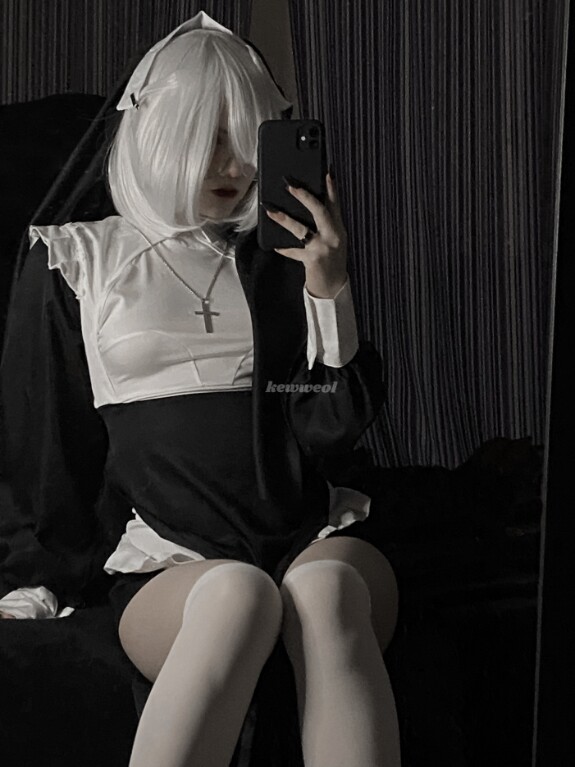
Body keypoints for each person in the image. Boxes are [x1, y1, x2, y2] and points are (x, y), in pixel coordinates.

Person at [0, 11, 400, 766]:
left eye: (249, 139)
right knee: (236, 595)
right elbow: (48, 437)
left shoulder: (283, 256)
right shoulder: (77, 258)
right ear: (158, 131)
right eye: (209, 136)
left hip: (310, 539)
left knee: (324, 594)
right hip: (175, 561)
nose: (236, 164)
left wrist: (330, 290)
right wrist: (34, 575)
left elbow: (327, 430)